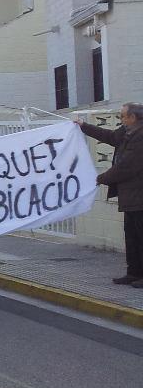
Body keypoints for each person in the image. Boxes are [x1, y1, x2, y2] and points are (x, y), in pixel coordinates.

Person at [81, 103, 143, 287]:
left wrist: (100, 178)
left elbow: (127, 167)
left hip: (139, 195)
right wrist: (84, 126)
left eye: (123, 116)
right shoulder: (127, 131)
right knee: (131, 236)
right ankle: (134, 272)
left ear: (133, 118)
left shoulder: (140, 137)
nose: (121, 119)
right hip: (131, 196)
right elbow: (109, 136)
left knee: (140, 237)